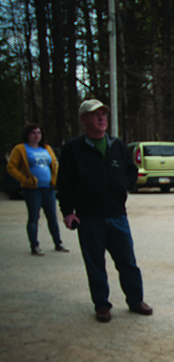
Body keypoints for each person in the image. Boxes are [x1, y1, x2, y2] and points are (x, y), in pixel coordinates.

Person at [57, 99, 152, 323]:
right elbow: (64, 183)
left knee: (127, 261)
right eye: (95, 114)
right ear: (84, 119)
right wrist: (68, 211)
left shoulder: (117, 145)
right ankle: (102, 304)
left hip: (118, 215)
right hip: (89, 218)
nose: (102, 118)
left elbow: (131, 170)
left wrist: (123, 185)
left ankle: (136, 300)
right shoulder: (73, 149)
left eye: (104, 114)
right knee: (95, 264)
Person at [6, 123, 69, 255]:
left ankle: (58, 242)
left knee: (52, 216)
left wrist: (56, 179)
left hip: (48, 188)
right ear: (27, 134)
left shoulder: (46, 148)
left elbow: (54, 164)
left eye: (39, 133)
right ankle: (34, 245)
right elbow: (11, 167)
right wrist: (24, 179)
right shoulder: (20, 149)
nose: (36, 135)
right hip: (32, 189)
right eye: (33, 133)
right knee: (34, 217)